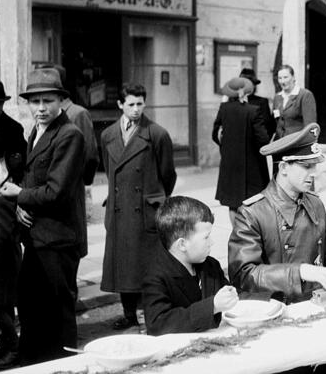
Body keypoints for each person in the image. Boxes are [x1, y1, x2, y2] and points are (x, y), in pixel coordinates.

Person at [228, 122, 326, 305]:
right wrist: (299, 272)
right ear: (283, 168)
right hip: (279, 309)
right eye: (306, 166)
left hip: (319, 302)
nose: (314, 173)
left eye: (315, 166)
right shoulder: (253, 212)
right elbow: (243, 275)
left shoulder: (314, 204)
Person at [0, 68, 85, 365]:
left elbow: (57, 191)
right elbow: (35, 182)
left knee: (58, 316)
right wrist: (23, 203)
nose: (41, 108)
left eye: (48, 101)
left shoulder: (69, 134)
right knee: (33, 308)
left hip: (58, 240)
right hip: (37, 236)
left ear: (61, 100)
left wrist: (17, 195)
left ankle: (67, 367)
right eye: (35, 102)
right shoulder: (37, 131)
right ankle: (33, 364)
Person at [100, 83, 177, 330]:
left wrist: (156, 200)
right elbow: (111, 171)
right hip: (119, 210)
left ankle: (152, 316)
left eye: (140, 104)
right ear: (120, 105)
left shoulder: (156, 134)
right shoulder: (108, 135)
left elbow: (168, 175)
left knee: (147, 266)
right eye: (131, 104)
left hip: (145, 211)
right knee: (122, 265)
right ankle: (129, 315)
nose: (136, 109)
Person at [143, 196, 238, 335]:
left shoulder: (209, 265)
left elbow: (233, 296)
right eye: (206, 237)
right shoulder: (156, 276)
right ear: (182, 244)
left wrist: (272, 299)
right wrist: (212, 307)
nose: (212, 242)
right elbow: (158, 324)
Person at [0, 81, 26, 369]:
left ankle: (12, 345)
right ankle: (7, 341)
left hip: (3, 223)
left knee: (2, 297)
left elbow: (22, 171)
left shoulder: (13, 130)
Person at [212, 77, 270, 224]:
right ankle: (249, 236)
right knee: (253, 203)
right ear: (246, 92)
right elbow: (263, 139)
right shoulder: (253, 111)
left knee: (233, 204)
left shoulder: (224, 109)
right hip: (252, 166)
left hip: (230, 165)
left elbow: (215, 134)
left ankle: (236, 234)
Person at [272, 64, 317, 139]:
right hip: (280, 144)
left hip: (297, 143)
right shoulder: (277, 97)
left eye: (286, 77)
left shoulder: (304, 95)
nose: (283, 81)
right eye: (280, 78)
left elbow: (310, 126)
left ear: (293, 77)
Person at [240, 67, 275, 139]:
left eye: (250, 83)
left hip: (256, 143)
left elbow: (268, 125)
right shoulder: (232, 102)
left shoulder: (262, 102)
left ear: (254, 85)